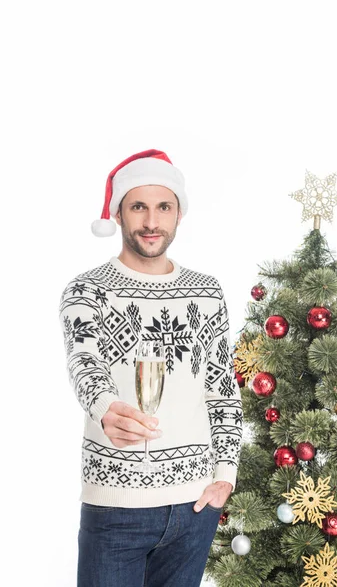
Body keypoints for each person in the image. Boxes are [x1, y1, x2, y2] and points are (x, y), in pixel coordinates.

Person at [58, 148, 243, 587]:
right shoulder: (88, 291)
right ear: (118, 214)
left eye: (164, 207)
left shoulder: (207, 291)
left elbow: (221, 385)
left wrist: (225, 477)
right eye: (138, 206)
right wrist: (105, 407)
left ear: (179, 213)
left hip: (195, 507)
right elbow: (85, 364)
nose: (151, 222)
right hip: (116, 508)